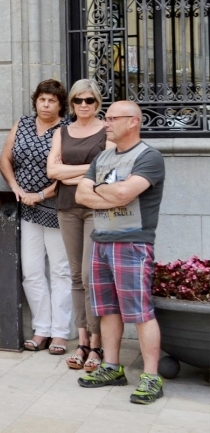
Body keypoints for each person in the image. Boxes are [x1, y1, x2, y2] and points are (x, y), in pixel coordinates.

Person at [74, 101, 166, 405]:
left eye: (113, 118)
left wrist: (101, 191)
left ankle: (151, 377)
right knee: (108, 309)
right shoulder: (102, 156)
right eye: (107, 117)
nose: (106, 123)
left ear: (133, 122)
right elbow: (80, 195)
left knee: (140, 312)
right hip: (101, 241)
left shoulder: (149, 157)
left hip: (133, 243)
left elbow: (126, 193)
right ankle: (112, 367)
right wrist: (111, 193)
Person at [0, 80, 71, 354]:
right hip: (27, 208)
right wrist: (16, 188)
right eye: (42, 99)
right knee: (31, 271)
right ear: (36, 101)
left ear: (60, 104)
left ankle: (60, 333)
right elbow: (5, 160)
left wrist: (41, 195)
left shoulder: (66, 130)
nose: (46, 105)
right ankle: (42, 329)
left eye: (52, 100)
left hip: (55, 207)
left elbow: (67, 173)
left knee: (60, 271)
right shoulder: (23, 124)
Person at [47, 79, 113, 372]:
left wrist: (68, 174)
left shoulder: (106, 131)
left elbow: (107, 170)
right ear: (71, 103)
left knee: (90, 276)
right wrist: (88, 171)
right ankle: (82, 340)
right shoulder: (61, 132)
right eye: (78, 100)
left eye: (89, 100)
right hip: (67, 207)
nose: (83, 105)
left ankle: (97, 344)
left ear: (97, 102)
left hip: (96, 207)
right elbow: (52, 171)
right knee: (75, 275)